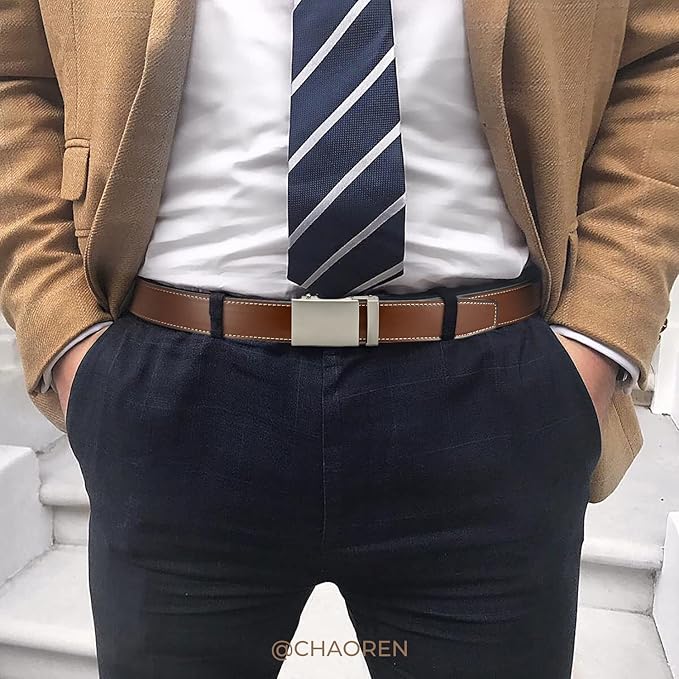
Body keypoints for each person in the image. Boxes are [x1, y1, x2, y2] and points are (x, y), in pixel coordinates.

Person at [1, 1, 678, 677]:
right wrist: (63, 332)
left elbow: (660, 60)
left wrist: (599, 335)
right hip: (171, 397)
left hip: (494, 397)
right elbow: (13, 73)